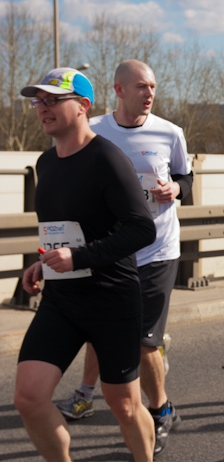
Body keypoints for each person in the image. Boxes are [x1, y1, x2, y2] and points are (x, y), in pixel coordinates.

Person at [14, 68, 157, 461]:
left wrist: (78, 257)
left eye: (53, 100)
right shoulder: (47, 163)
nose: (43, 108)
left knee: (123, 405)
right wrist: (41, 263)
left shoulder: (107, 159)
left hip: (111, 299)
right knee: (28, 397)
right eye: (38, 101)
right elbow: (60, 229)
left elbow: (141, 229)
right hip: (62, 299)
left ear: (83, 106)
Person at [54, 60, 192, 455]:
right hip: (110, 252)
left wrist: (176, 191)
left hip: (158, 251)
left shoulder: (170, 132)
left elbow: (187, 177)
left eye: (152, 86)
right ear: (118, 90)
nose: (149, 93)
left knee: (143, 342)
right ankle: (84, 392)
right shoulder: (93, 130)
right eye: (140, 87)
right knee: (102, 327)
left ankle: (161, 410)